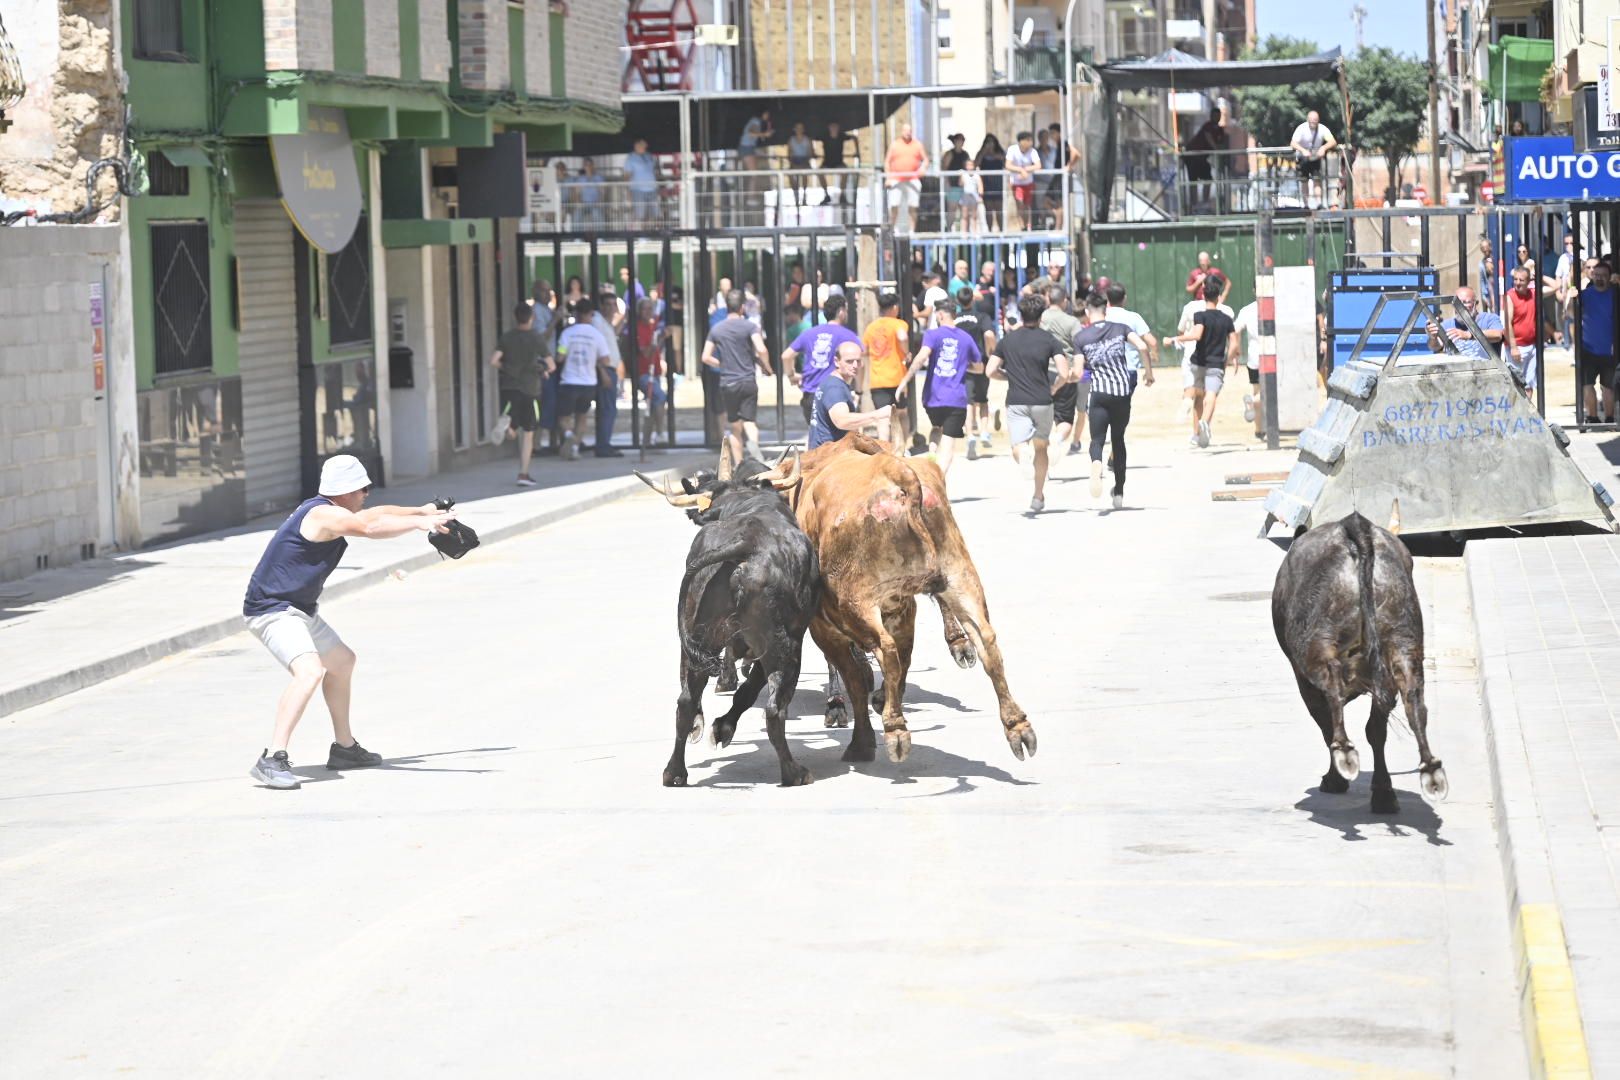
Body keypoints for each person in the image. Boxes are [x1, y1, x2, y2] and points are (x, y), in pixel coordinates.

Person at [243, 455, 455, 789]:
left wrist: (421, 511)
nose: (368, 493)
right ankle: (272, 757)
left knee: (342, 662)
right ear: (346, 491)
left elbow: (377, 513)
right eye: (363, 487)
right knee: (310, 671)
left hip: (299, 609)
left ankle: (345, 749)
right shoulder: (323, 515)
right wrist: (419, 525)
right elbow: (371, 527)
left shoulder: (333, 509)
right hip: (272, 610)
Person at [987, 293, 1070, 513]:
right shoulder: (1049, 340)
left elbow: (990, 370)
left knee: (1018, 445)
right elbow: (1064, 372)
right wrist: (1055, 387)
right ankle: (1037, 496)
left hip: (1016, 401)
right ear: (1041, 315)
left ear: (1021, 315)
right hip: (1043, 399)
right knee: (1041, 448)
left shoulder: (1008, 340)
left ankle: (1023, 454)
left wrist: (1007, 376)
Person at [1073, 293, 1152, 509]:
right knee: (1118, 440)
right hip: (1121, 392)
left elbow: (1078, 371)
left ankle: (1096, 463)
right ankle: (1118, 492)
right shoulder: (1120, 328)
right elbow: (1143, 347)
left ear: (1088, 312)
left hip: (1098, 393)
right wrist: (1149, 373)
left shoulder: (1082, 337)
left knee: (1097, 440)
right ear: (1106, 309)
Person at [901, 300, 982, 475]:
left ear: (940, 315)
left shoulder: (932, 334)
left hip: (932, 397)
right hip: (956, 398)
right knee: (949, 444)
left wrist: (905, 380)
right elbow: (979, 367)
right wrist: (963, 365)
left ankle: (931, 452)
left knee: (937, 427)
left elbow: (922, 357)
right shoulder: (966, 338)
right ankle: (939, 478)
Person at [703, 288, 772, 465]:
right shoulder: (750, 326)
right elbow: (761, 348)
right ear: (742, 307)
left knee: (734, 426)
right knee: (750, 422)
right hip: (748, 380)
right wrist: (766, 366)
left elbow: (705, 357)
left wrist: (721, 364)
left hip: (728, 382)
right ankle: (754, 446)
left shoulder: (716, 329)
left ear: (727, 307)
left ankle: (740, 464)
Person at [1168, 276, 1239, 448]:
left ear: (1203, 289)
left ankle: (1194, 428)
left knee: (1195, 394)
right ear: (1219, 293)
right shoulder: (1227, 313)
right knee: (1210, 395)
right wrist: (1230, 359)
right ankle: (1203, 425)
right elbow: (1233, 342)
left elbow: (1185, 330)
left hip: (1194, 356)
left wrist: (1175, 339)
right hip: (1216, 360)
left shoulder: (1192, 309)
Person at [488, 302, 555, 485]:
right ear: (531, 318)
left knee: (513, 426)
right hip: (530, 389)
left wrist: (507, 368)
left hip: (509, 387)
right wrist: (541, 369)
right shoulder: (536, 338)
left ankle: (508, 427)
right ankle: (523, 474)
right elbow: (551, 365)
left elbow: (494, 360)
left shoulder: (507, 337)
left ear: (515, 317)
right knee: (528, 433)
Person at [784, 294, 862, 431]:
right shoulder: (849, 336)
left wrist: (791, 375)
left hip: (811, 394)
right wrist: (859, 390)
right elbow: (862, 362)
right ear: (841, 311)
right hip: (835, 394)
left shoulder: (809, 333)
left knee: (815, 435)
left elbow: (786, 356)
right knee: (840, 439)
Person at [810, 341, 894, 450]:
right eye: (849, 361)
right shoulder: (835, 388)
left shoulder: (833, 382)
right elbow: (842, 421)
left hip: (826, 451)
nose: (855, 365)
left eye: (858, 361)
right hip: (829, 456)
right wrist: (877, 415)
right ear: (836, 361)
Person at [554, 297, 610, 460]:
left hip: (569, 382)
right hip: (589, 383)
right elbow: (606, 360)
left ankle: (569, 435)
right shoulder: (597, 335)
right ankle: (575, 448)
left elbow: (559, 357)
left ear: (576, 314)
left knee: (564, 418)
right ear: (591, 314)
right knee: (582, 417)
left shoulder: (567, 333)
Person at [1038, 286, 1086, 457]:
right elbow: (1081, 345)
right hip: (1065, 373)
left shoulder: (1039, 318)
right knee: (1064, 419)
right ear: (1064, 300)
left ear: (1048, 300)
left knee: (1040, 415)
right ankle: (1057, 440)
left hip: (1040, 373)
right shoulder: (1072, 322)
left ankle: (1039, 448)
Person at [863, 292, 913, 449]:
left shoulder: (871, 327)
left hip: (877, 380)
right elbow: (903, 337)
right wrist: (905, 353)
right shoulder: (898, 324)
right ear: (895, 307)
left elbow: (863, 350)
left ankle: (884, 449)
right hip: (897, 378)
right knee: (902, 413)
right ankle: (903, 447)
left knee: (883, 418)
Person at [953, 286, 996, 458]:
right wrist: (989, 352)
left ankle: (970, 434)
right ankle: (984, 432)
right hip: (980, 362)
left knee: (968, 401)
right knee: (983, 399)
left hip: (962, 363)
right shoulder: (981, 317)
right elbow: (989, 335)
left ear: (958, 301)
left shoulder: (955, 319)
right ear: (973, 299)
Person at [1425, 285, 1505, 364]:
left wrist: (1469, 335)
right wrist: (1433, 337)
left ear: (1475, 303)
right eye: (1457, 303)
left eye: (1466, 302)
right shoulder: (1447, 325)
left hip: (1486, 372)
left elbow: (1497, 335)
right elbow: (1435, 347)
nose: (1461, 306)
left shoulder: (1488, 319)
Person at [1103, 282, 1157, 396]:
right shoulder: (1133, 317)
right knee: (1122, 408)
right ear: (1124, 299)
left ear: (1107, 299)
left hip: (1104, 370)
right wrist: (1149, 371)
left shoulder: (1101, 317)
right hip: (1128, 370)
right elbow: (1152, 342)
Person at [1578, 263, 1616, 423]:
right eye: (1597, 274)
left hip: (1610, 349)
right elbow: (1570, 313)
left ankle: (1609, 419)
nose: (1600, 278)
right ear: (1592, 276)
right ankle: (1593, 418)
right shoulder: (1585, 295)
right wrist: (1571, 297)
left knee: (1608, 387)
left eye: (1603, 275)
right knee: (1587, 385)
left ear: (1609, 277)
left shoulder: (1615, 294)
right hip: (1588, 348)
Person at [634, 297, 669, 443]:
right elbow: (647, 352)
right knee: (660, 397)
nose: (649, 312)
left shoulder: (652, 325)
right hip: (643, 373)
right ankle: (661, 433)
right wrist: (660, 339)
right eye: (645, 308)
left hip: (655, 372)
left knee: (653, 405)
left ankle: (646, 439)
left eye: (651, 308)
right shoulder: (638, 327)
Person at [1502, 266, 1541, 395]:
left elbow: (1555, 286)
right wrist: (1513, 347)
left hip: (1531, 346)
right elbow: (1508, 322)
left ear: (1529, 281)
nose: (1517, 283)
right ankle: (1516, 413)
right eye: (1515, 279)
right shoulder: (1510, 296)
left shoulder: (1533, 293)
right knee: (1517, 384)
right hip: (1517, 347)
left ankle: (1527, 413)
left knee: (1529, 385)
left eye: (1521, 280)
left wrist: (1539, 276)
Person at [884, 123, 929, 234]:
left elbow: (926, 160)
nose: (907, 132)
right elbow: (887, 162)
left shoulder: (917, 145)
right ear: (902, 131)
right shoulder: (895, 144)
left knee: (913, 206)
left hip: (912, 178)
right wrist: (888, 177)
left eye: (909, 130)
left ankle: (911, 230)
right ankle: (892, 229)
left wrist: (923, 169)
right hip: (896, 179)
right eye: (905, 130)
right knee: (894, 205)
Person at [1289, 110, 1337, 208]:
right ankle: (1306, 205)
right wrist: (1303, 150)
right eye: (1311, 120)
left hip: (1316, 158)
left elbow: (1333, 141)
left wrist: (1323, 148)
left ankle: (1319, 203)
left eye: (1315, 121)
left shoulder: (1322, 129)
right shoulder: (1301, 128)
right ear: (1308, 120)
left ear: (1318, 120)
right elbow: (1293, 143)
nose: (1313, 123)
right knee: (1304, 181)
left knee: (1317, 180)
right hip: (1303, 159)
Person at [1233, 297, 1263, 440]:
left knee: (1258, 391)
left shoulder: (1247, 309)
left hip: (1253, 357)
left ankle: (1259, 430)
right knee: (1268, 394)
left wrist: (1236, 351)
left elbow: (1236, 330)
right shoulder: (1276, 305)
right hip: (1271, 355)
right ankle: (1251, 400)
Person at [1006, 131, 1041, 231]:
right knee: (1019, 204)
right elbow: (1008, 165)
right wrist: (1020, 170)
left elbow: (1038, 165)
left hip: (1028, 183)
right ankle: (1021, 225)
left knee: (1027, 206)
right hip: (1017, 183)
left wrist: (1026, 170)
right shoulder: (1012, 149)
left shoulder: (1033, 151)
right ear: (1021, 141)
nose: (1030, 143)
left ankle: (1027, 225)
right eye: (1028, 140)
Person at [624, 138, 660, 227]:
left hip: (652, 189)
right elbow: (626, 176)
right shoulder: (630, 158)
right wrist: (628, 191)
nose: (645, 147)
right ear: (636, 146)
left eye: (645, 146)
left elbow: (654, 171)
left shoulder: (649, 155)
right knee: (640, 214)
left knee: (656, 213)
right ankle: (641, 237)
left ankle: (657, 234)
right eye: (643, 145)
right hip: (638, 190)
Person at [975, 134, 1006, 231]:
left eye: (991, 141)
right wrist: (984, 152)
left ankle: (1001, 230)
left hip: (998, 185)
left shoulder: (999, 152)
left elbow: (1005, 161)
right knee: (988, 210)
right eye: (988, 142)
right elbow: (976, 163)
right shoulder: (981, 154)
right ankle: (989, 230)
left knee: (999, 210)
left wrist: (992, 154)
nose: (990, 144)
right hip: (987, 185)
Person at [820, 121, 853, 210]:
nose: (834, 129)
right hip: (827, 163)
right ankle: (826, 194)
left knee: (845, 171)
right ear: (829, 127)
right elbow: (815, 137)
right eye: (832, 127)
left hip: (838, 163)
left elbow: (852, 137)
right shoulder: (824, 136)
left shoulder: (842, 136)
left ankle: (842, 195)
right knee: (819, 172)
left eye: (835, 127)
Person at [786, 121, 814, 210]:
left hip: (805, 161)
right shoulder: (791, 140)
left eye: (801, 128)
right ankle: (796, 196)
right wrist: (794, 164)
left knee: (804, 174)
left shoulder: (807, 140)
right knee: (791, 175)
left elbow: (810, 153)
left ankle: (804, 195)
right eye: (797, 128)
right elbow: (789, 155)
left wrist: (805, 162)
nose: (799, 130)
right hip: (795, 162)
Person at [575, 158, 605, 229]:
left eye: (590, 165)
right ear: (584, 167)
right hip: (583, 204)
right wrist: (579, 203)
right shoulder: (580, 179)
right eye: (586, 165)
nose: (588, 167)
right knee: (577, 215)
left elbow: (603, 193)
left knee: (597, 214)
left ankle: (601, 237)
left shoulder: (599, 178)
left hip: (595, 204)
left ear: (593, 166)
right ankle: (577, 237)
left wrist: (599, 202)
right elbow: (576, 194)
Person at [1477, 237, 1497, 314]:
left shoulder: (1495, 258)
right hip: (1488, 292)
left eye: (1486, 247)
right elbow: (1482, 280)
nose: (1485, 249)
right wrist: (1484, 296)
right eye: (1482, 247)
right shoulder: (1481, 263)